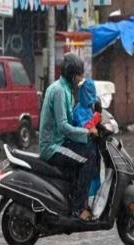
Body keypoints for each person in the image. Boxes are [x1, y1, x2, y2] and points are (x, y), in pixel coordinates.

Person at [39, 53, 98, 221]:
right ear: (73, 75)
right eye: (80, 74)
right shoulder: (59, 91)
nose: (82, 78)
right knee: (88, 158)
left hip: (60, 142)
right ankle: (78, 209)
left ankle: (73, 199)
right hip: (52, 147)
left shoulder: (66, 89)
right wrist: (87, 132)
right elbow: (64, 126)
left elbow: (72, 119)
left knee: (88, 150)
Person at [72, 78, 102, 198]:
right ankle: (83, 201)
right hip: (82, 146)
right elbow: (87, 128)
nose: (91, 97)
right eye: (89, 93)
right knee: (89, 170)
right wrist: (96, 117)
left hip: (90, 145)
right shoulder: (79, 110)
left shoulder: (89, 109)